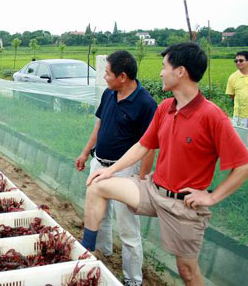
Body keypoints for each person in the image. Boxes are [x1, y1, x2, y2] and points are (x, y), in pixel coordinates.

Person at [81, 42, 248, 286]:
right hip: (152, 190)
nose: (160, 72)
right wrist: (110, 172)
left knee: (187, 272)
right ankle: (84, 254)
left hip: (182, 204)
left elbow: (243, 165)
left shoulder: (212, 116)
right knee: (96, 186)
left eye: (164, 67)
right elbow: (142, 146)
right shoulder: (165, 108)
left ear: (180, 72)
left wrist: (211, 198)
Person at [75, 50, 156, 286]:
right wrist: (85, 152)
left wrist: (140, 179)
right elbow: (99, 126)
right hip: (100, 164)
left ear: (122, 76)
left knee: (129, 230)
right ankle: (103, 254)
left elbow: (150, 147)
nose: (104, 77)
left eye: (107, 73)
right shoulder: (109, 94)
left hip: (125, 172)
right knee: (101, 217)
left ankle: (133, 280)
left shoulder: (146, 104)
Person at [226, 51, 248, 127]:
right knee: (241, 138)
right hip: (240, 116)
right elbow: (232, 95)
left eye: (241, 60)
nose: (238, 63)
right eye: (236, 61)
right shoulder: (232, 77)